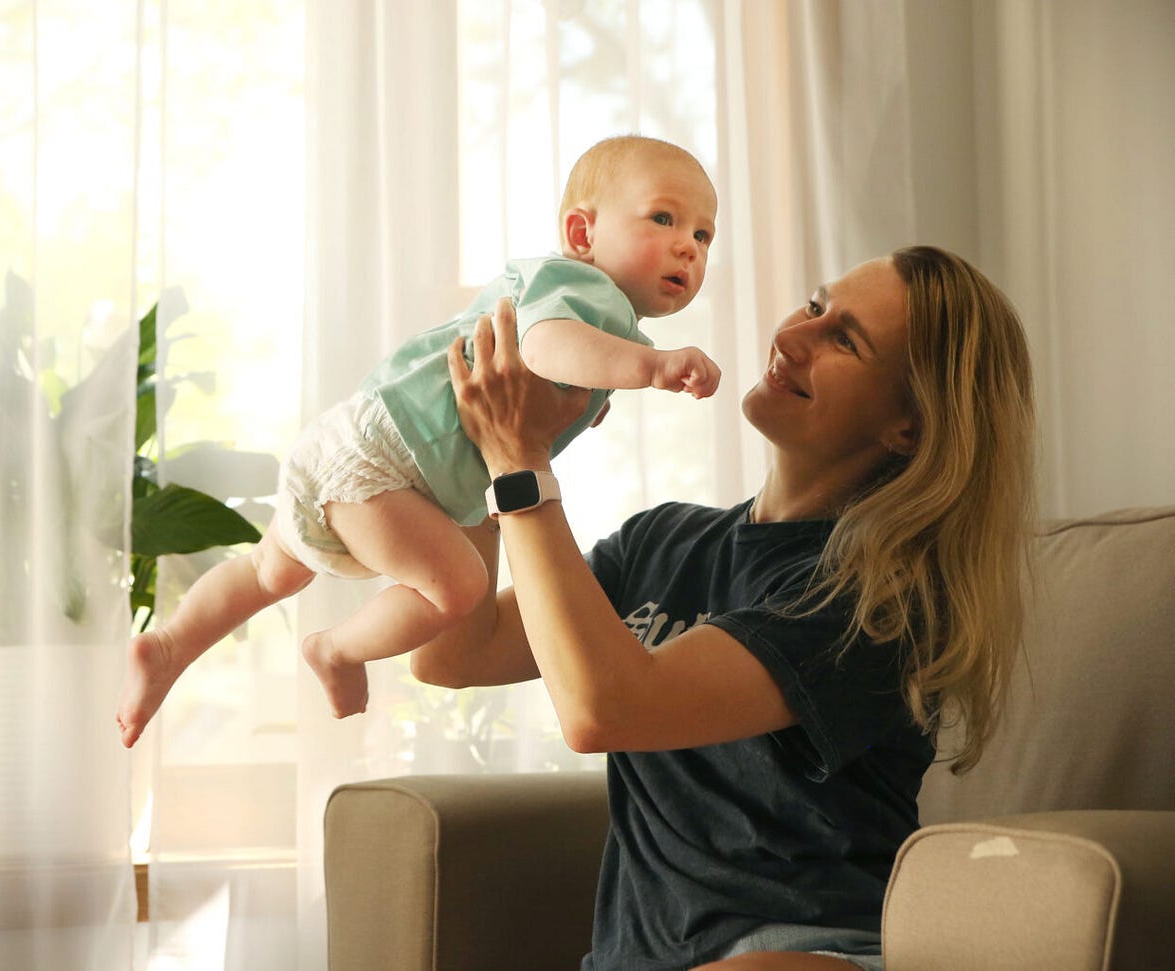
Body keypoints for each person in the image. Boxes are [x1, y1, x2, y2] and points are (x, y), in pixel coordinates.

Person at [414, 245, 1036, 970]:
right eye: (813, 306)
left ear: (909, 424)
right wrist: (468, 448)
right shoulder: (663, 540)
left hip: (813, 948)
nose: (792, 337)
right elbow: (451, 652)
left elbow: (603, 709)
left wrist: (519, 462)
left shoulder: (882, 603)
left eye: (843, 339)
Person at [117, 134, 722, 746]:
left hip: (357, 442)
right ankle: (337, 650)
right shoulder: (581, 291)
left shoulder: (600, 323)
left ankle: (170, 645)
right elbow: (543, 345)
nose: (686, 247)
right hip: (387, 461)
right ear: (582, 233)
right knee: (455, 587)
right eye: (664, 218)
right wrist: (654, 368)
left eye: (703, 237)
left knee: (270, 571)